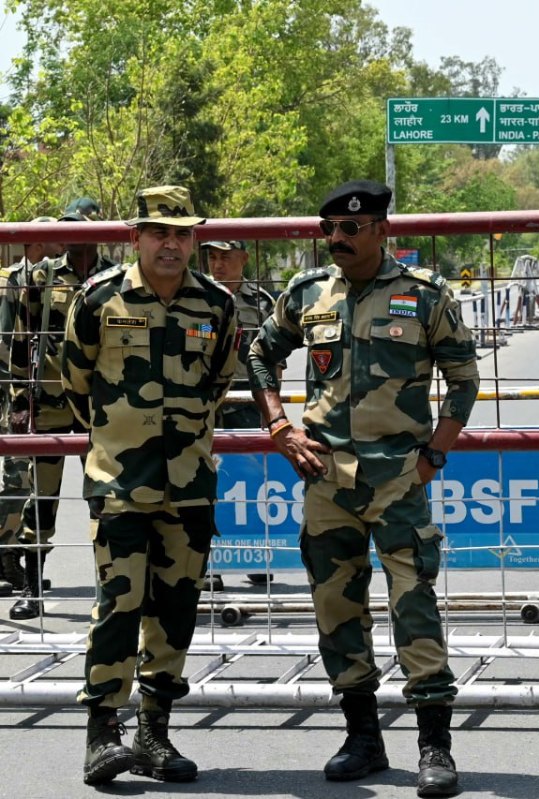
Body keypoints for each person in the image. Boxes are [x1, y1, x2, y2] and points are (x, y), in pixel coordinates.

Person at [247, 180, 477, 798]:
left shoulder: (424, 295)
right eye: (329, 229)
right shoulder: (307, 293)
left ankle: (435, 745)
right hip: (326, 480)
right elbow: (260, 355)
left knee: (413, 605)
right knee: (336, 609)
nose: (337, 238)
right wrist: (279, 427)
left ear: (381, 230)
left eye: (351, 228)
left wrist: (434, 455)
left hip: (398, 478)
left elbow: (462, 379)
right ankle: (362, 738)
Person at [62, 185, 238, 785]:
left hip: (188, 483)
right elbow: (76, 383)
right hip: (120, 482)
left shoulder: (216, 304)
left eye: (182, 234)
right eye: (159, 232)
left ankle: (153, 732)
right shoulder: (99, 298)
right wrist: (120, 439)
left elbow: (218, 383)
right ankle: (102, 734)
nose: (171, 244)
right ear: (135, 236)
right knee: (119, 604)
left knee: (176, 609)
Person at [6, 199, 116, 619]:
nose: (70, 234)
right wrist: (20, 398)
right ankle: (33, 590)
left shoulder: (116, 278)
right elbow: (21, 339)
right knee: (41, 501)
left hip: (99, 407)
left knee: (104, 499)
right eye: (66, 226)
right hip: (49, 405)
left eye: (79, 226)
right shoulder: (43, 275)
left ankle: (110, 588)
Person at [201, 239, 273, 586]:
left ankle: (254, 552)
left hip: (246, 399)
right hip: (205, 399)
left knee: (250, 480)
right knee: (204, 480)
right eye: (213, 257)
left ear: (244, 259)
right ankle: (209, 562)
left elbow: (274, 356)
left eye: (226, 257)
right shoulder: (196, 296)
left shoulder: (262, 302)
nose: (218, 264)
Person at [0, 216, 62, 596]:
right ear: (38, 244)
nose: (63, 245)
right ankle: (6, 557)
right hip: (14, 391)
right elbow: (10, 344)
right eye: (56, 239)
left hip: (29, 391)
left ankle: (12, 558)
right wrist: (17, 397)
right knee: (18, 475)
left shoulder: (48, 278)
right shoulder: (13, 281)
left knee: (24, 476)